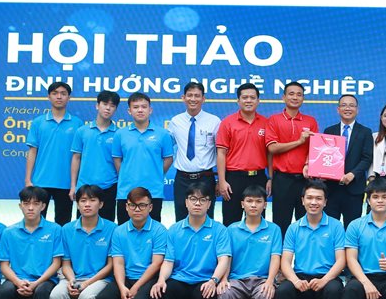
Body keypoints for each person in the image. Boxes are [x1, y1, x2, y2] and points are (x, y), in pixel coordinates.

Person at [143, 182, 231, 299]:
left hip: (205, 280)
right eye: (193, 199)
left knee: (210, 296)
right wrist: (161, 280)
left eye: (202, 200)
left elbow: (223, 260)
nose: (197, 203)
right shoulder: (175, 230)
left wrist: (214, 281)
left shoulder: (219, 230)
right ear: (186, 202)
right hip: (180, 280)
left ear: (209, 203)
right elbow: (168, 262)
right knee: (157, 294)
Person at [269, 180, 346, 299]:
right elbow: (285, 261)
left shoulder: (336, 226)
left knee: (336, 291)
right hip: (301, 278)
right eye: (309, 198)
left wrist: (325, 280)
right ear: (302, 200)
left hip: (327, 278)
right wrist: (295, 281)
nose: (314, 202)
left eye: (318, 198)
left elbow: (341, 260)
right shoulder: (294, 228)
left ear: (325, 202)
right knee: (282, 293)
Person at [87, 187, 166, 299]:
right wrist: (122, 287)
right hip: (125, 278)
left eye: (142, 205)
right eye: (132, 205)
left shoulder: (159, 230)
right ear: (126, 207)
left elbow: (156, 264)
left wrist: (136, 287)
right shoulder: (119, 231)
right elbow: (118, 263)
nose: (137, 209)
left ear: (150, 207)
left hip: (148, 278)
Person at [210, 185, 282, 299]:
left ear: (265, 205)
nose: (254, 205)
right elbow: (226, 257)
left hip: (262, 280)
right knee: (223, 293)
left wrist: (270, 281)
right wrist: (223, 279)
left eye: (258, 201)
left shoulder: (273, 229)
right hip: (237, 280)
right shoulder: (231, 229)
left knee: (265, 295)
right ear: (242, 204)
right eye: (249, 201)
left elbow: (276, 258)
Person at [50, 184, 117, 299]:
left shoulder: (112, 229)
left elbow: (110, 265)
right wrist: (72, 281)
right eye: (83, 200)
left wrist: (86, 284)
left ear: (101, 204)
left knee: (87, 298)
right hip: (72, 277)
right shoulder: (67, 229)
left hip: (100, 279)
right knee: (56, 295)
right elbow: (65, 264)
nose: (87, 204)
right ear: (77, 204)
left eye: (92, 200)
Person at [216, 83, 272, 227]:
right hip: (234, 179)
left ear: (258, 101)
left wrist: (270, 178)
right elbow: (221, 153)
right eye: (245, 97)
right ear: (238, 100)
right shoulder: (227, 123)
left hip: (259, 177)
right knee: (230, 221)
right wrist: (222, 181)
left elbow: (270, 153)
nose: (248, 100)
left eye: (252, 98)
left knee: (257, 222)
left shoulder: (266, 123)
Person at [112, 92, 174, 223]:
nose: (140, 110)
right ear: (129, 111)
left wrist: (157, 173)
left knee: (152, 230)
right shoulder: (120, 134)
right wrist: (126, 175)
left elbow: (168, 159)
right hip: (126, 191)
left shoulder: (162, 134)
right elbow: (117, 159)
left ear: (150, 110)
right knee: (124, 230)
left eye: (144, 107)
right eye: (135, 107)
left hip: (153, 192)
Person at [266, 81, 319, 233]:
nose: (295, 97)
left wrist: (308, 164)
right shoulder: (274, 120)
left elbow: (315, 149)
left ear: (303, 98)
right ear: (283, 97)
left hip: (305, 180)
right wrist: (299, 141)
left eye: (299, 94)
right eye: (291, 94)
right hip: (282, 180)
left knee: (306, 224)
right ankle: (281, 250)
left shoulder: (311, 121)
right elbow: (272, 148)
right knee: (281, 223)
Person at [25, 81, 78, 225]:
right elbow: (32, 151)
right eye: (55, 93)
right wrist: (28, 180)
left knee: (63, 223)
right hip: (40, 181)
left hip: (66, 183)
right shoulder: (38, 122)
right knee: (36, 222)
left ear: (69, 97)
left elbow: (78, 156)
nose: (59, 97)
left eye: (63, 94)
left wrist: (74, 184)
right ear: (49, 97)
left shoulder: (77, 123)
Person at [168, 81, 221, 223]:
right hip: (182, 178)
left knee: (206, 219)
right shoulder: (175, 121)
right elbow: (166, 147)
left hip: (206, 178)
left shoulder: (214, 121)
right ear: (183, 98)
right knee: (181, 219)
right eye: (189, 95)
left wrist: (220, 180)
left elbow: (221, 152)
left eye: (197, 96)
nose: (193, 99)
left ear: (203, 99)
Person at [321, 94, 373, 226]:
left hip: (354, 189)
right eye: (344, 105)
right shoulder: (329, 131)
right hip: (331, 188)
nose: (347, 108)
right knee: (330, 227)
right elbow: (324, 156)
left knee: (352, 228)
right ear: (338, 109)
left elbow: (367, 158)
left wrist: (353, 174)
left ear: (357, 109)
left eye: (351, 105)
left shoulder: (365, 132)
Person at [70, 90, 121, 219]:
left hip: (110, 186)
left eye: (112, 105)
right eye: (105, 104)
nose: (108, 108)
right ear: (97, 105)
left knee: (107, 226)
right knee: (83, 225)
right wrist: (73, 186)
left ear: (115, 109)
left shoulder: (119, 134)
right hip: (84, 186)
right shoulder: (82, 131)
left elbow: (121, 162)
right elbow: (76, 158)